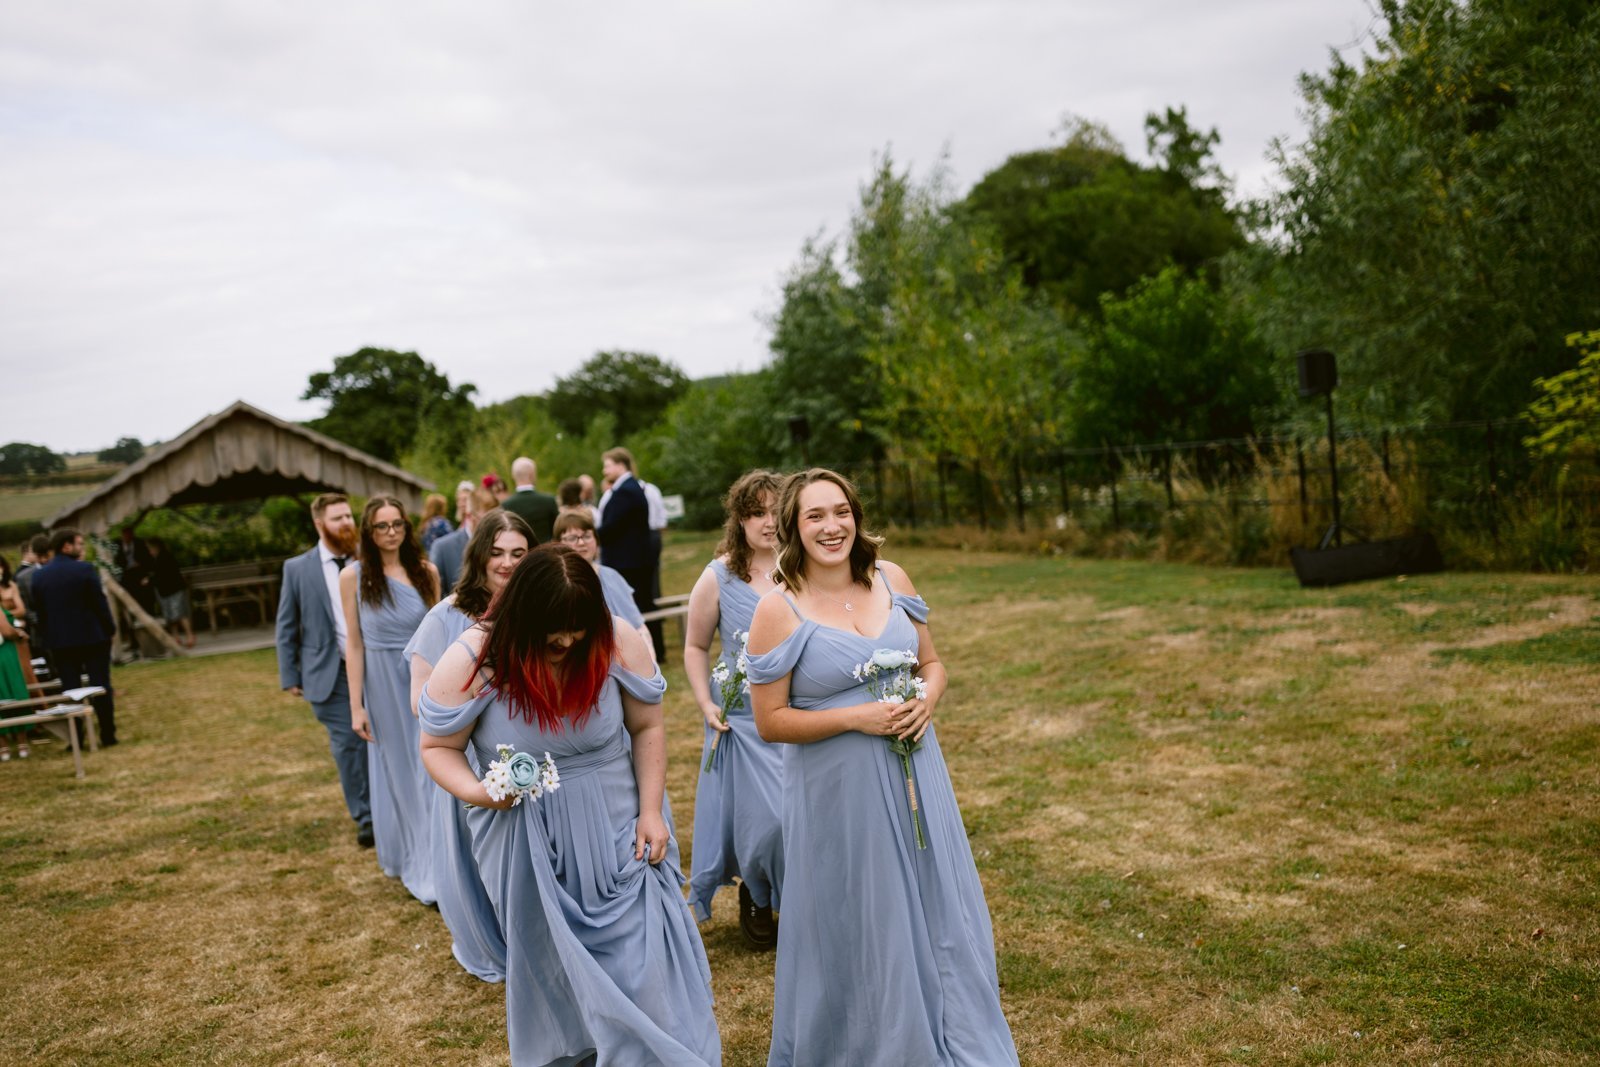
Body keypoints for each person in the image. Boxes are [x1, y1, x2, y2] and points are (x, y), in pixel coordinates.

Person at [746, 469, 1019, 1066]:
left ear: (856, 516)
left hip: (918, 770)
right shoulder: (778, 608)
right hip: (837, 792)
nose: (831, 526)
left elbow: (933, 662)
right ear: (793, 525)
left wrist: (927, 700)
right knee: (862, 917)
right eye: (815, 515)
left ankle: (951, 1027)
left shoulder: (891, 579)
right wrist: (855, 718)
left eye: (840, 512)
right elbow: (769, 721)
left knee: (934, 899)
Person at [419, 545, 720, 1066]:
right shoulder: (476, 659)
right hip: (525, 839)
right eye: (551, 630)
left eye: (577, 629)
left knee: (643, 964)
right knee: (554, 970)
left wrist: (651, 811)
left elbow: (647, 725)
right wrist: (480, 792)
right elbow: (437, 747)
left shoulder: (617, 640)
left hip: (619, 824)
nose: (565, 640)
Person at [404, 508, 533, 982]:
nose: (507, 563)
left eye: (519, 553)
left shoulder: (537, 607)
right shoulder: (448, 615)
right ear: (479, 556)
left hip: (531, 753)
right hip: (469, 759)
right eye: (497, 552)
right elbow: (421, 699)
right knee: (478, 859)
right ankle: (493, 940)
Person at [683, 470, 785, 947]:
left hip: (798, 715)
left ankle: (804, 901)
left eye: (774, 511)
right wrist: (706, 703)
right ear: (739, 520)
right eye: (756, 513)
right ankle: (757, 895)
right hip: (740, 719)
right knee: (764, 823)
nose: (768, 522)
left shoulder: (803, 568)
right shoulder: (718, 575)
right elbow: (695, 646)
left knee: (803, 817)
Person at [343, 496, 440, 904]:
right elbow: (354, 643)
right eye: (381, 526)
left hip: (424, 678)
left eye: (397, 524)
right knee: (400, 771)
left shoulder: (426, 571)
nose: (390, 533)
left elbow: (441, 631)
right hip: (382, 682)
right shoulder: (355, 577)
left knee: (430, 769)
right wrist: (356, 705)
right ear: (369, 532)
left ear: (407, 527)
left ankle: (441, 856)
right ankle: (418, 862)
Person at [275, 493, 372, 848]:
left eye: (349, 515)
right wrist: (290, 675)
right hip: (327, 672)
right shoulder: (297, 569)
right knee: (348, 744)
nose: (347, 523)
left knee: (380, 739)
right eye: (337, 518)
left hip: (376, 667)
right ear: (319, 524)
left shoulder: (370, 558)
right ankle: (366, 817)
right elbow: (287, 625)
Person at [30, 528, 118, 746]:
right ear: (66, 546)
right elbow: (100, 604)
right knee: (100, 686)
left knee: (70, 691)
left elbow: (39, 612)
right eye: (79, 544)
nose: (82, 548)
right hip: (92, 638)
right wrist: (110, 629)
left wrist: (48, 636)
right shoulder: (85, 570)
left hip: (61, 642)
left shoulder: (40, 576)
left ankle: (76, 738)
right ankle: (107, 735)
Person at [553, 509, 652, 656]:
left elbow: (638, 627)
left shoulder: (612, 577)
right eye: (573, 538)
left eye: (587, 536)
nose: (581, 543)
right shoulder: (555, 582)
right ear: (559, 543)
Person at [596, 448, 656, 645]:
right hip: (633, 559)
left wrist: (593, 536)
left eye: (607, 466)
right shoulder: (629, 488)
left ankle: (650, 647)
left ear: (620, 465)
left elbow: (612, 526)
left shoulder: (625, 492)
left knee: (638, 607)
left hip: (629, 561)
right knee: (643, 603)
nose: (604, 471)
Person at [432, 485, 496, 594]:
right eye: (488, 519)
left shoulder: (501, 545)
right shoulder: (443, 547)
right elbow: (436, 594)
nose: (495, 524)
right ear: (470, 516)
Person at [0, 555, 34, 761]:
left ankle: (3, 748)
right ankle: (21, 742)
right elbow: (5, 629)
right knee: (13, 690)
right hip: (5, 651)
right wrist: (18, 633)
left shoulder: (9, 586)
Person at [144, 537, 195, 649]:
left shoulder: (165, 557)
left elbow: (163, 574)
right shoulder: (156, 558)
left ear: (155, 547)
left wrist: (150, 580)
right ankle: (175, 637)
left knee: (180, 613)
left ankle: (189, 635)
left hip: (174, 589)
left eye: (149, 548)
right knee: (170, 616)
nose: (149, 551)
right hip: (165, 591)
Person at [500, 456, 559, 544]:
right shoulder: (548, 501)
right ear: (532, 475)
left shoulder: (506, 505)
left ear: (513, 476)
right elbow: (557, 530)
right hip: (546, 552)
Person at [642, 476, 669, 661]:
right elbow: (662, 520)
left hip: (647, 536)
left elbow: (660, 519)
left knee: (651, 587)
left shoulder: (649, 490)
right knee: (653, 585)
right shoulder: (651, 488)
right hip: (652, 535)